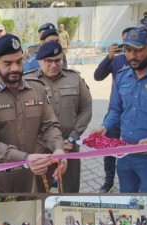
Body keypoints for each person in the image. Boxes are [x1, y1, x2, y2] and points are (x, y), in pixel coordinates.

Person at [0, 34, 66, 193]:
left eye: (19, 62)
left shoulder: (37, 89)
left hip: (25, 173)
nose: (15, 68)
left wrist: (58, 148)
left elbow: (49, 126)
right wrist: (25, 158)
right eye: (7, 63)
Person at [93, 27, 147, 193]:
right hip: (125, 156)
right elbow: (116, 109)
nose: (132, 55)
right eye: (128, 50)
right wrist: (105, 126)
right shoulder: (122, 76)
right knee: (127, 200)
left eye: (138, 50)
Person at [25, 41, 92, 193]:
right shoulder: (28, 82)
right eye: (49, 61)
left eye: (57, 60)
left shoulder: (74, 78)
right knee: (40, 190)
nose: (54, 64)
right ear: (40, 61)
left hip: (70, 146)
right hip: (41, 149)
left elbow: (86, 108)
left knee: (70, 188)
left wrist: (72, 138)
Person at [94, 27, 134, 193]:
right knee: (109, 150)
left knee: (131, 151)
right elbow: (97, 76)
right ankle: (108, 181)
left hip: (134, 117)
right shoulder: (117, 61)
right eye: (124, 42)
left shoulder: (143, 61)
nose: (127, 46)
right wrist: (109, 56)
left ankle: (130, 182)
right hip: (114, 114)